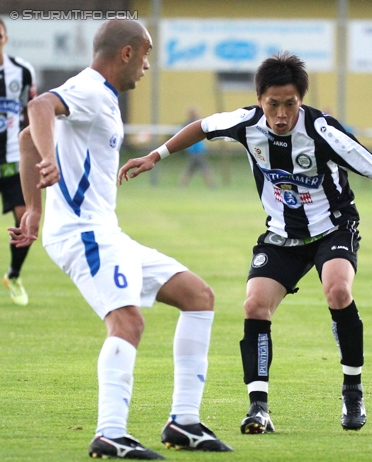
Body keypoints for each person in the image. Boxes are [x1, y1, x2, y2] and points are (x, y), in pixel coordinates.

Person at [119, 52, 372, 435]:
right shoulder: (246, 123)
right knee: (254, 304)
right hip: (281, 235)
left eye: (290, 104)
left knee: (338, 291)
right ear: (260, 100)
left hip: (333, 228)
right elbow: (201, 126)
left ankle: (352, 389)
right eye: (273, 104)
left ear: (301, 100)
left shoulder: (323, 132)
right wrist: (156, 155)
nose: (281, 114)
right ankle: (258, 408)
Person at [9, 19, 232, 459]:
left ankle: (183, 423)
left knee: (198, 295)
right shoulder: (90, 89)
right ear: (126, 53)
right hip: (82, 233)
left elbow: (23, 140)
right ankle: (110, 432)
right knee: (128, 322)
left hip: (105, 231)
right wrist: (50, 167)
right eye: (145, 54)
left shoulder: (101, 98)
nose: (147, 66)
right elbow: (36, 113)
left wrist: (34, 208)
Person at [0, 17, 37, 305]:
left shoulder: (22, 71)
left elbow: (32, 111)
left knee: (25, 217)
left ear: (6, 38)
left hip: (13, 158)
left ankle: (13, 274)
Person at [179, 107, 216, 189]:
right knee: (203, 168)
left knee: (191, 169)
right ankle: (211, 185)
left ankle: (182, 185)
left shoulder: (196, 123)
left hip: (198, 150)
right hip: (195, 151)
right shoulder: (192, 124)